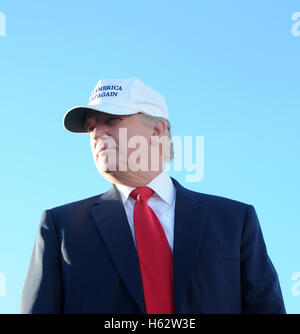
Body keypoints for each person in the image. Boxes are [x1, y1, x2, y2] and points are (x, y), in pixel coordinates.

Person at [20, 77, 286, 314]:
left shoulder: (234, 220)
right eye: (90, 127)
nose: (97, 133)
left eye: (111, 120)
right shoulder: (60, 227)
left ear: (158, 130)